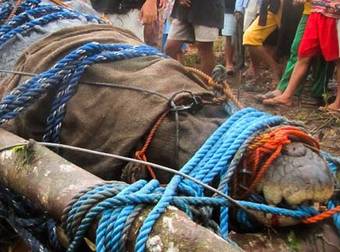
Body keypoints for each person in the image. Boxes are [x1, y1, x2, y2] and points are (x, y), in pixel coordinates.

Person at [263, 0, 340, 111]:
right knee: (303, 54)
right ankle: (287, 96)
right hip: (316, 11)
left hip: (334, 13)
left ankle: (338, 104)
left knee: (338, 59)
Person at [165, 0, 225, 74]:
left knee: (204, 48)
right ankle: (181, 79)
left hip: (208, 10)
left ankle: (206, 84)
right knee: (170, 48)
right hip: (184, 10)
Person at [242, 0, 283, 85]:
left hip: (287, 6)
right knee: (250, 36)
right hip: (271, 6)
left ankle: (283, 80)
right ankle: (269, 69)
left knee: (286, 39)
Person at [222, 0, 237, 75]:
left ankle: (232, 58)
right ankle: (228, 62)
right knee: (228, 35)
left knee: (236, 36)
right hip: (228, 8)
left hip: (242, 6)